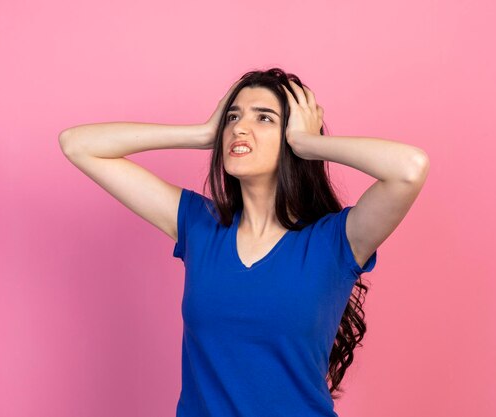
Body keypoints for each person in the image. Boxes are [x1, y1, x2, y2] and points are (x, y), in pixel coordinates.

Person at [58, 67, 429, 416]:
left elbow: (409, 168)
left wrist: (307, 143)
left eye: (264, 117)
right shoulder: (200, 225)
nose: (240, 128)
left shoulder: (334, 241)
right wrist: (201, 133)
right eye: (233, 117)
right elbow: (77, 144)